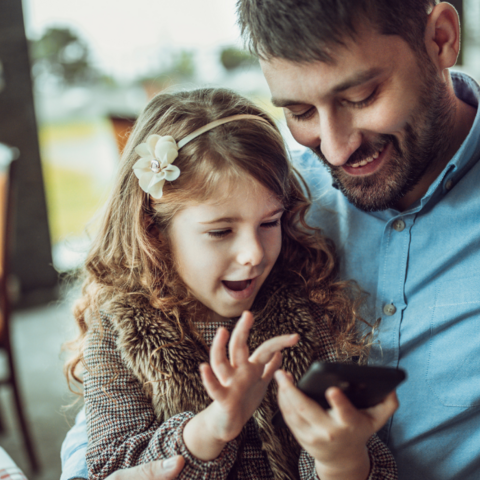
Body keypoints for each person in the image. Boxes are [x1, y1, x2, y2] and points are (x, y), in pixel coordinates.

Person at [62, 87, 399, 480]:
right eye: (221, 231)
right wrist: (214, 426)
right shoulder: (118, 328)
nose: (253, 254)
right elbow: (112, 464)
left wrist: (338, 459)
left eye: (269, 223)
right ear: (153, 230)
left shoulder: (304, 307)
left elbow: (350, 449)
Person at [235, 1, 479, 480]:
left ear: (441, 39)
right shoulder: (270, 201)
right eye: (301, 111)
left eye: (361, 97)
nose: (335, 147)